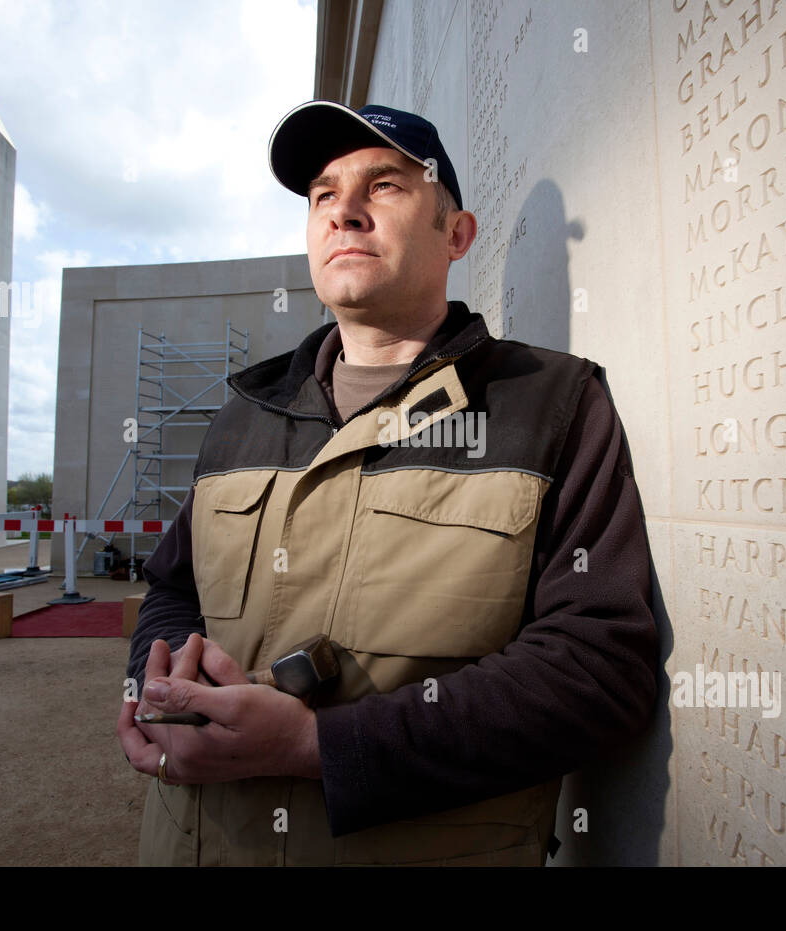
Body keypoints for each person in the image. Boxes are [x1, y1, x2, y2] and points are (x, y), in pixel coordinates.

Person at [116, 100, 658, 866]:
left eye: (385, 186)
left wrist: (320, 745)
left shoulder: (553, 406)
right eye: (323, 195)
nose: (345, 213)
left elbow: (598, 667)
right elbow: (174, 590)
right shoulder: (243, 414)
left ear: (456, 234)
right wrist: (159, 681)